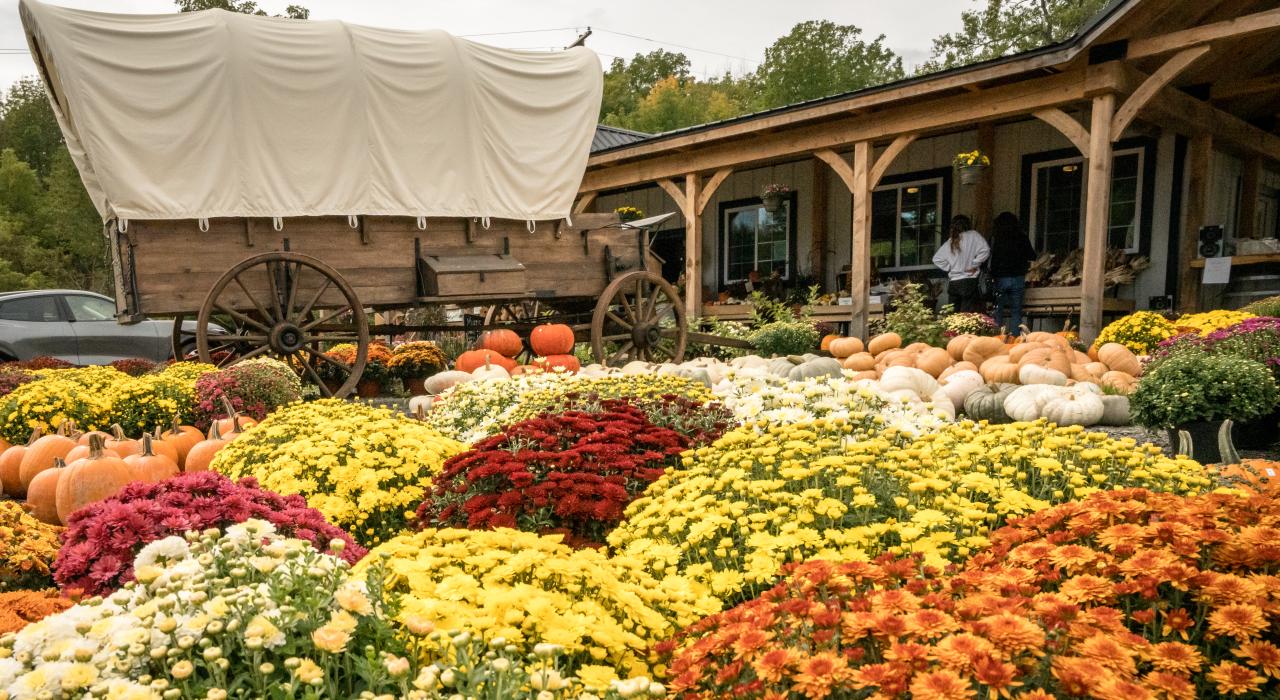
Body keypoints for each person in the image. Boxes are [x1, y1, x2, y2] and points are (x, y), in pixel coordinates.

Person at [987, 211, 1038, 333]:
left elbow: (989, 257)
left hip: (999, 278)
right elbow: (1032, 255)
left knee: (998, 310)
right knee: (1016, 311)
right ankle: (1015, 338)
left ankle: (997, 336)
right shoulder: (1021, 236)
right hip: (1017, 277)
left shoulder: (995, 238)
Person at [931, 214, 989, 313]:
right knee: (967, 317)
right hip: (969, 281)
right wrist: (974, 264)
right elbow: (986, 250)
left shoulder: (951, 241)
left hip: (954, 283)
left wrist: (950, 267)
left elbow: (936, 259)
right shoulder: (973, 235)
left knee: (953, 316)